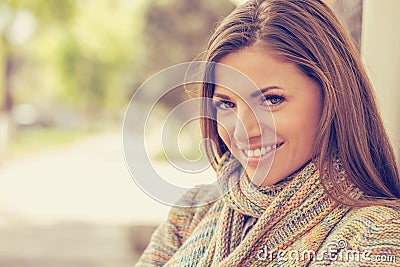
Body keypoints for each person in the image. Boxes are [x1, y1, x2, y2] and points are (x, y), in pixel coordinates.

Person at [135, 0, 400, 266]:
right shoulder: (193, 210)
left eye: (271, 100)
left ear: (332, 96)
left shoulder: (374, 236)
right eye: (227, 104)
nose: (244, 131)